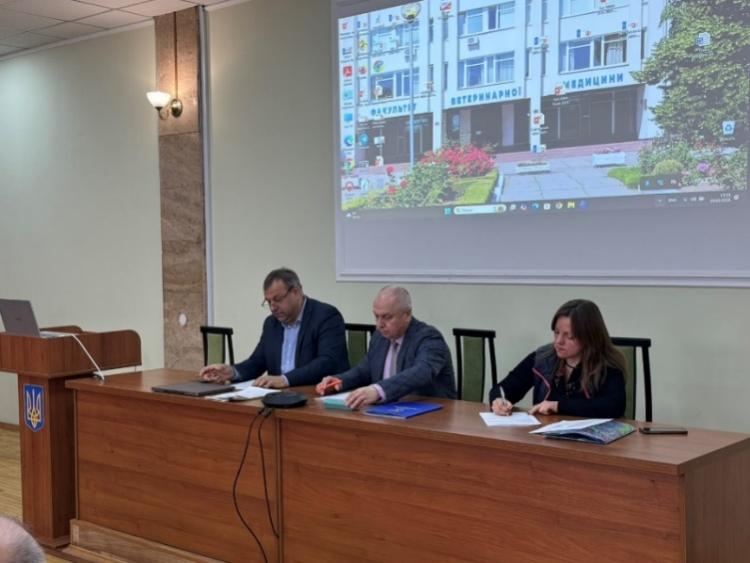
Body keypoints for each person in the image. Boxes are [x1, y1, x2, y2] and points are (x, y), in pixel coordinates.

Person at [200, 268, 349, 388]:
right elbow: (257, 362)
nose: (273, 307)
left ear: (296, 292)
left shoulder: (326, 316)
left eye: (277, 299)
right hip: (279, 399)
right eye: (268, 301)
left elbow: (327, 363)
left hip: (316, 395)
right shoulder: (271, 323)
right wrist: (232, 371)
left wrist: (285, 379)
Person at [316, 286, 456, 409]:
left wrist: (378, 391)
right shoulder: (380, 336)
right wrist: (339, 381)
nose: (379, 324)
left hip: (430, 417)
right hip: (386, 413)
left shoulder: (429, 338)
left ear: (407, 315)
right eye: (376, 316)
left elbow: (421, 372)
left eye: (387, 317)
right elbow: (364, 370)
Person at [489, 299, 626, 418]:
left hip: (592, 438)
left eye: (570, 336)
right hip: (545, 435)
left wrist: (557, 406)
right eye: (556, 332)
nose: (559, 341)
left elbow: (613, 406)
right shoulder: (542, 358)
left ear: (589, 337)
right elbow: (505, 387)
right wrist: (498, 400)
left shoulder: (607, 365)